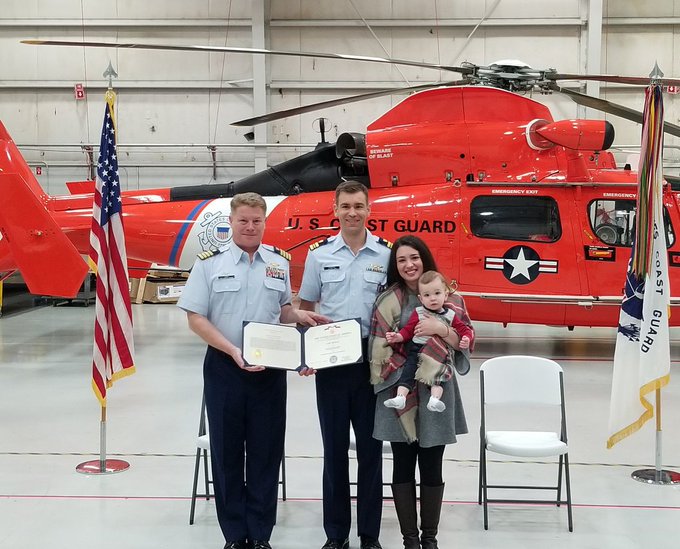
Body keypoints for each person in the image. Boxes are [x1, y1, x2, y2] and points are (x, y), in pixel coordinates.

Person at [177, 192, 327, 549]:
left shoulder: (277, 263)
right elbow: (195, 317)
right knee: (227, 453)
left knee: (266, 451)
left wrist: (299, 315)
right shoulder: (209, 264)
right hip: (224, 367)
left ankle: (260, 534)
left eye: (256, 220)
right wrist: (232, 350)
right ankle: (234, 534)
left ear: (264, 223)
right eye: (243, 220)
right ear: (230, 222)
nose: (249, 226)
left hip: (269, 371)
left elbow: (283, 311)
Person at [298, 181, 392, 549]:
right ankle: (336, 535)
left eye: (359, 206)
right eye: (345, 206)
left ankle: (369, 534)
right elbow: (305, 308)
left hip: (373, 362)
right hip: (332, 362)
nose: (352, 212)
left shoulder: (385, 255)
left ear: (370, 210)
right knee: (334, 449)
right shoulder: (319, 255)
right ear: (334, 211)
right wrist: (306, 354)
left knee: (371, 450)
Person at [369, 235, 474, 549]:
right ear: (396, 266)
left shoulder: (451, 298)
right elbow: (378, 347)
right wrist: (403, 369)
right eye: (401, 260)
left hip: (436, 391)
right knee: (401, 463)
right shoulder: (388, 299)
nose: (408, 265)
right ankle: (410, 540)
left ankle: (430, 538)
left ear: (424, 258)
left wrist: (441, 330)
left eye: (414, 257)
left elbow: (465, 343)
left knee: (432, 463)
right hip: (398, 390)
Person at [383, 270, 472, 413]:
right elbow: (408, 330)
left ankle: (435, 400)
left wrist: (466, 339)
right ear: (420, 298)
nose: (432, 298)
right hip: (416, 349)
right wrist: (398, 337)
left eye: (437, 293)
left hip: (439, 353)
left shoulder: (451, 315)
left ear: (446, 294)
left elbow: (464, 329)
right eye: (427, 295)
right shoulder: (418, 313)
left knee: (437, 377)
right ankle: (401, 397)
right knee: (408, 371)